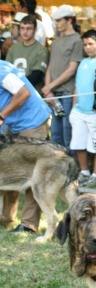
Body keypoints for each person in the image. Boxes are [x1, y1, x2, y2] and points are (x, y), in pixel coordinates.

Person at [0, 60, 51, 233]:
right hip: (15, 124)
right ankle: (6, 217)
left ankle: (29, 224)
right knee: (8, 168)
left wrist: (1, 116)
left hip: (33, 122)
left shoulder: (1, 71)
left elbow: (23, 93)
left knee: (32, 172)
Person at [42, 4, 84, 148]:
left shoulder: (77, 40)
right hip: (54, 94)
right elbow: (50, 66)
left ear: (70, 20)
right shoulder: (55, 41)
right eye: (56, 20)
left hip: (68, 94)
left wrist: (50, 87)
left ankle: (72, 168)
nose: (56, 23)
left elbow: (72, 69)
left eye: (59, 20)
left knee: (68, 135)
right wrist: (48, 90)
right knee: (55, 135)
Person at [69, 30, 96, 186]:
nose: (88, 47)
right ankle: (84, 172)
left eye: (91, 44)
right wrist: (74, 106)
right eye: (85, 45)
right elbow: (77, 86)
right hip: (79, 110)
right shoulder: (83, 63)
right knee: (78, 143)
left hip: (94, 112)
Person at [6, 15, 48, 92]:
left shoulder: (41, 51)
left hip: (32, 94)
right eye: (22, 28)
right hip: (13, 93)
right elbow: (7, 71)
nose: (25, 31)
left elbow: (36, 76)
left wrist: (16, 86)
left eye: (29, 28)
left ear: (35, 30)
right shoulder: (13, 48)